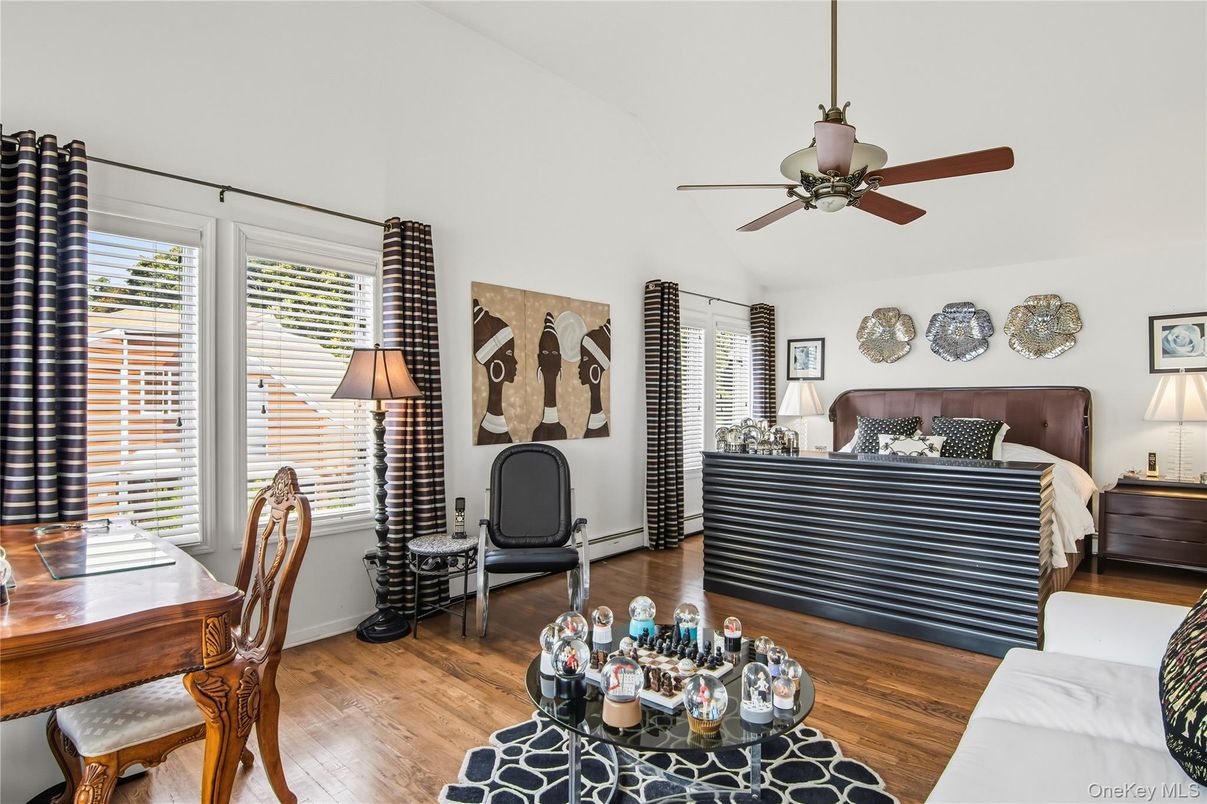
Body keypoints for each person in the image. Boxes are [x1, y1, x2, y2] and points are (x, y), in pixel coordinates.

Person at [472, 299, 517, 445]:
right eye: (510, 353)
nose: (515, 362)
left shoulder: (496, 429)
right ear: (496, 364)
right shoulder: (489, 434)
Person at [531, 312, 568, 441]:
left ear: (559, 359)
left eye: (554, 353)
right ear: (539, 358)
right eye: (545, 352)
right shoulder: (538, 433)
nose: (550, 358)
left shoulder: (562, 431)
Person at [579, 319, 611, 438]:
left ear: (595, 368)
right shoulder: (596, 426)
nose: (579, 366)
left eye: (585, 359)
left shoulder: (598, 428)